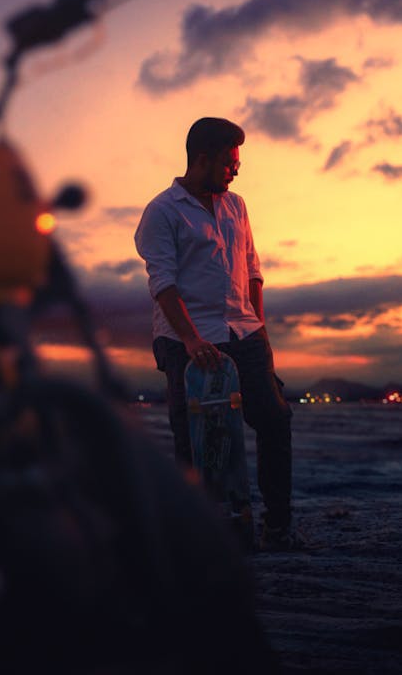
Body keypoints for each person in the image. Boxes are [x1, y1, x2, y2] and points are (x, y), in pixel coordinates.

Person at [135, 117, 303, 551]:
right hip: (185, 339)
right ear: (203, 159)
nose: (236, 170)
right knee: (195, 438)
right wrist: (191, 340)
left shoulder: (237, 206)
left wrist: (259, 329)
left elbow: (253, 271)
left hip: (243, 332)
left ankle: (278, 526)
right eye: (230, 162)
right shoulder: (162, 211)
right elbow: (164, 284)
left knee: (274, 419)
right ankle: (198, 535)